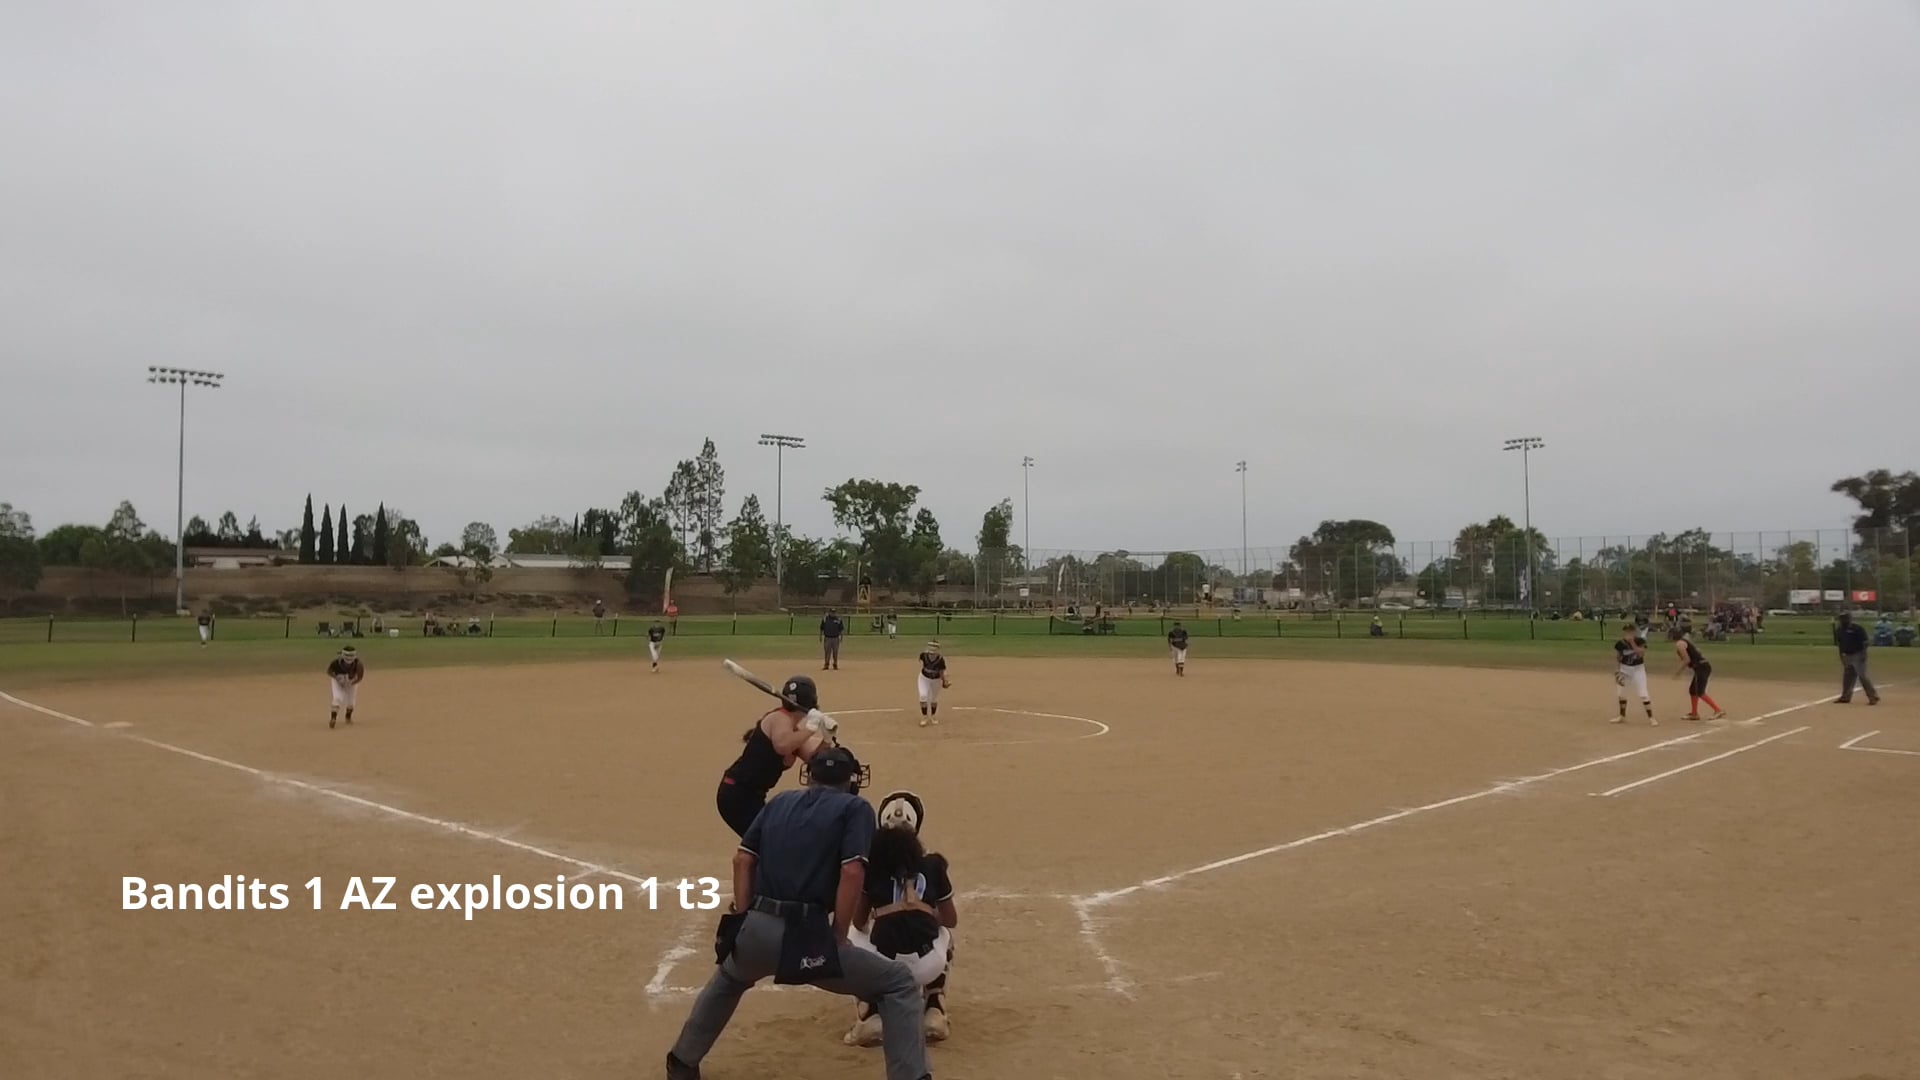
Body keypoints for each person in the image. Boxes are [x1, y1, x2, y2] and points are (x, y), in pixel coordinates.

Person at [667, 746, 935, 1080]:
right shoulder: (855, 808)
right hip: (806, 938)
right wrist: (838, 935)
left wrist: (745, 916)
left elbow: (743, 860)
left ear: (810, 775)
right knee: (898, 983)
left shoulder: (779, 802)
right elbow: (852, 871)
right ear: (852, 779)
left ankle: (681, 1061)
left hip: (757, 927)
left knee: (730, 978)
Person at [844, 790, 957, 1048]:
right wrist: (924, 913)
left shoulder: (871, 867)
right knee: (945, 934)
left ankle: (870, 1014)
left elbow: (859, 921)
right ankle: (934, 1008)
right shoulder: (934, 864)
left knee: (851, 935)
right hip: (928, 965)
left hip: (885, 967)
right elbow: (950, 919)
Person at [715, 675, 835, 837]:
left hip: (752, 796)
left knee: (769, 841)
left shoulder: (794, 732)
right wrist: (811, 728)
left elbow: (815, 761)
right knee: (766, 842)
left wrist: (827, 738)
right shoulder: (779, 718)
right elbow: (782, 746)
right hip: (737, 793)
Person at [1670, 627, 1725, 721]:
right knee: (1693, 690)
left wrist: (1678, 672)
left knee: (1699, 691)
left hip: (1701, 668)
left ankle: (1718, 710)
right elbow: (1697, 652)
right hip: (1701, 667)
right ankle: (1694, 713)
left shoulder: (1680, 644)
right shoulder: (1684, 641)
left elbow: (1687, 660)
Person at [1612, 623, 1655, 725]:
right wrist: (1618, 671)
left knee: (1643, 694)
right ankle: (1622, 716)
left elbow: (1641, 653)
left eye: (1631, 631)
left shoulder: (1640, 641)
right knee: (1621, 693)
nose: (1629, 633)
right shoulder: (1620, 644)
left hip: (1638, 670)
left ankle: (1651, 718)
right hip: (1625, 669)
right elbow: (1618, 657)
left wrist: (1632, 643)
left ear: (1634, 632)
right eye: (1627, 631)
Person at [1834, 612, 1881, 705]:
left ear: (1849, 619)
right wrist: (1841, 657)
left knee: (1862, 676)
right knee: (1847, 677)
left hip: (1858, 654)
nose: (1843, 620)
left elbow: (1865, 642)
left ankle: (1873, 696)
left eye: (1845, 618)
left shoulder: (1857, 628)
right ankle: (1845, 697)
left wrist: (1864, 654)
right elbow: (1840, 644)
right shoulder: (1840, 630)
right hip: (1847, 655)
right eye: (1841, 619)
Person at [327, 646, 365, 729]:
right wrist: (337, 678)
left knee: (351, 702)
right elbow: (329, 671)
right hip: (338, 681)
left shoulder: (358, 665)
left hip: (352, 682)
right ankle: (333, 718)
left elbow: (360, 677)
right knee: (337, 698)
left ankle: (348, 717)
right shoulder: (336, 663)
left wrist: (351, 683)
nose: (349, 659)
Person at [915, 642, 948, 727]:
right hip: (924, 678)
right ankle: (924, 717)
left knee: (934, 699)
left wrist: (944, 681)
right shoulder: (923, 655)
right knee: (923, 696)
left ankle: (933, 716)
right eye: (930, 651)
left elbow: (941, 672)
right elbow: (921, 660)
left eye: (934, 651)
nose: (931, 654)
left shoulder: (940, 659)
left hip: (936, 680)